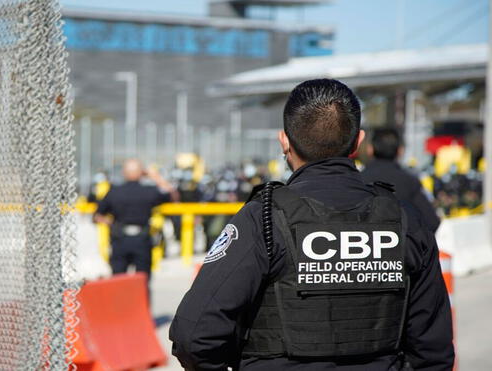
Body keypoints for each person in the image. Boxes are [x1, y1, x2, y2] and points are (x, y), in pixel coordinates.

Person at [169, 79, 454, 371]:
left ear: (284, 141)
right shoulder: (404, 218)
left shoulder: (264, 217)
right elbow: (433, 350)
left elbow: (194, 335)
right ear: (358, 142)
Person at [94, 159, 178, 281]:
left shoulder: (114, 191)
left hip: (120, 238)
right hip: (142, 239)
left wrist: (111, 223)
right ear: (141, 173)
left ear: (123, 172)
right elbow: (173, 195)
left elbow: (97, 215)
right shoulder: (149, 191)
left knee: (118, 281)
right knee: (142, 281)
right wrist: (155, 176)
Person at [362, 128, 441, 232]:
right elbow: (432, 221)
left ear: (370, 149)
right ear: (400, 151)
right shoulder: (409, 181)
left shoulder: (357, 179)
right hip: (401, 243)